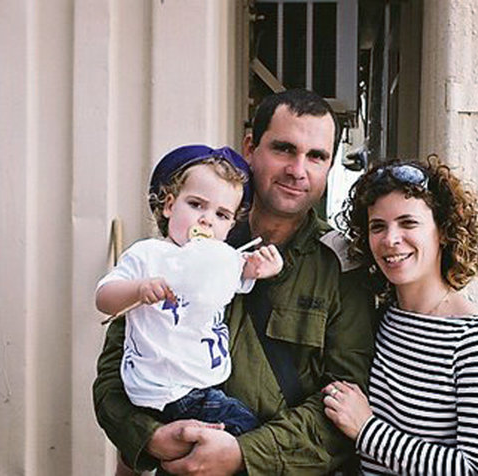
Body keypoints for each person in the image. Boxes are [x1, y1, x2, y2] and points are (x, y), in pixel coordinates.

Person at [92, 89, 376, 475]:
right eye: (284, 149)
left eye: (316, 156)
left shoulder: (341, 266)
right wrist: (150, 437)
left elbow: (345, 404)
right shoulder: (182, 243)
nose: (298, 170)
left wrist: (242, 454)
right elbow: (115, 370)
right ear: (250, 148)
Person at [323, 157, 478, 475]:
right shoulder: (380, 320)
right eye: (378, 226)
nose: (390, 239)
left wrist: (367, 430)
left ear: (444, 231)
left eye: (408, 223)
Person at [95, 144, 284, 445]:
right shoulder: (149, 254)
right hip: (166, 387)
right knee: (246, 429)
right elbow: (103, 298)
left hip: (202, 383)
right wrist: (139, 288)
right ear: (169, 205)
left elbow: (247, 271)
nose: (206, 220)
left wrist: (267, 266)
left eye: (221, 214)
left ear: (231, 226)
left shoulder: (220, 259)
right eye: (196, 205)